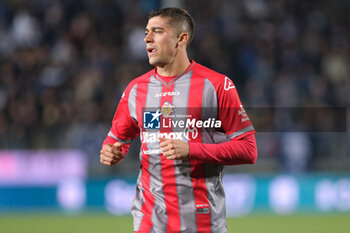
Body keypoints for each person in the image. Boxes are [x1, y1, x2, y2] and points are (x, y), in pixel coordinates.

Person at [100, 7, 257, 233]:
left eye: (157, 31)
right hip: (149, 219)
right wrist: (111, 151)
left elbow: (248, 150)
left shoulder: (216, 85)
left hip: (202, 220)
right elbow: (117, 140)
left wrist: (192, 150)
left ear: (181, 39)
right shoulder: (136, 89)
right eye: (146, 32)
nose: (147, 38)